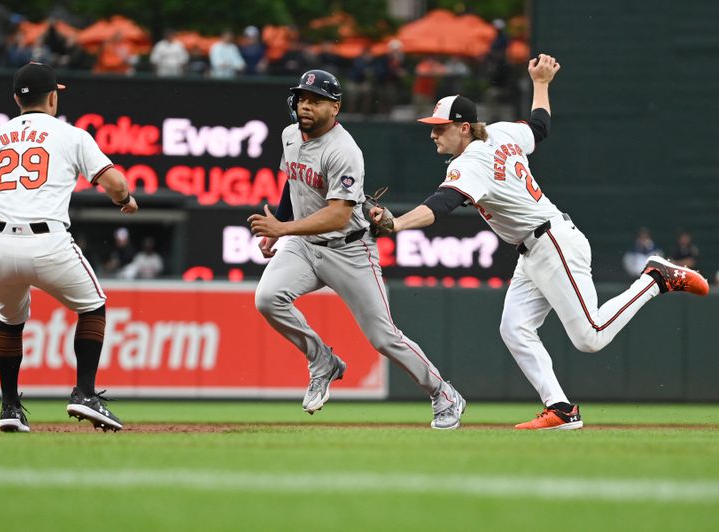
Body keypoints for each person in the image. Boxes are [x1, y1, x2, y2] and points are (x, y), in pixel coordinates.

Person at [369, 54, 710, 430]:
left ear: (463, 128)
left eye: (440, 127)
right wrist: (542, 84)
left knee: (590, 337)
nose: (433, 133)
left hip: (552, 243)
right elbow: (539, 126)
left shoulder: (470, 162)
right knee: (514, 327)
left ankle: (655, 278)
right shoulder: (500, 131)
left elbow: (443, 204)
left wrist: (397, 223)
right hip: (534, 249)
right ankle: (561, 408)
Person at [248, 69, 465, 430]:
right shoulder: (290, 135)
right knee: (267, 298)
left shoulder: (344, 150)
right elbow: (293, 182)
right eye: (302, 98)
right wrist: (280, 229)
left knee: (384, 337)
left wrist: (282, 228)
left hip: (349, 249)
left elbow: (338, 214)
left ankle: (443, 393)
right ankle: (323, 362)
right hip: (303, 246)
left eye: (315, 100)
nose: (305, 105)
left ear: (335, 107)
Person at [0, 62, 139, 433]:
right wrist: (126, 199)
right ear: (53, 96)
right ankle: (84, 393)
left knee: (9, 321)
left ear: (15, 100)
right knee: (93, 306)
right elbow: (116, 184)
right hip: (48, 242)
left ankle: (9, 407)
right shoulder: (71, 135)